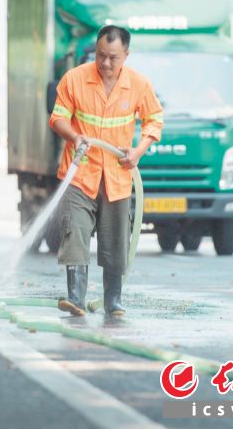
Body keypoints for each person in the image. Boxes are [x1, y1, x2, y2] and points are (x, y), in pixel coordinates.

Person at [49, 25, 163, 317]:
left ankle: (114, 301)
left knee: (115, 241)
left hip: (117, 176)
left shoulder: (138, 84)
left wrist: (138, 151)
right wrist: (75, 137)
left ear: (126, 55)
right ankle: (75, 297)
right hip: (80, 174)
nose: (106, 64)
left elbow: (154, 121)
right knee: (75, 231)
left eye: (113, 57)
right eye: (101, 56)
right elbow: (58, 118)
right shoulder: (75, 79)